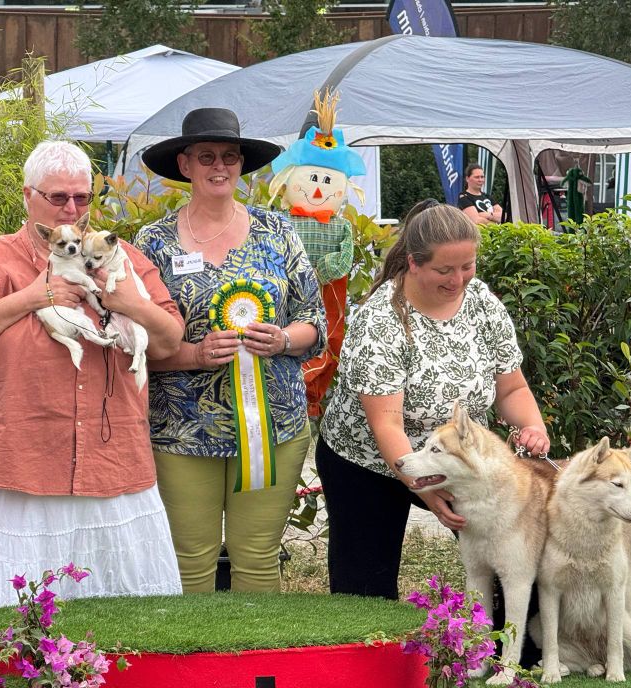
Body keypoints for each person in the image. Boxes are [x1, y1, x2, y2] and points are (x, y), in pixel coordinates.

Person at [0, 140, 184, 613]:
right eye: (58, 198)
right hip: (27, 464)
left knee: (130, 617)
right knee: (19, 616)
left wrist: (128, 301)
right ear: (28, 196)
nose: (72, 208)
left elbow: (170, 342)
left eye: (83, 197)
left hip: (114, 464)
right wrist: (33, 296)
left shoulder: (121, 257)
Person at [135, 108, 326, 593]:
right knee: (188, 564)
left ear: (242, 166)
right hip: (181, 428)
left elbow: (314, 323)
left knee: (258, 559)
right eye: (206, 157)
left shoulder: (278, 232)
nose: (219, 167)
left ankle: (255, 670)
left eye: (229, 157)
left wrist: (283, 339)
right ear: (185, 165)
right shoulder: (152, 241)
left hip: (274, 426)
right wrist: (194, 355)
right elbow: (136, 341)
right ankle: (188, 668)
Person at [317, 200, 549, 600]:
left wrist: (533, 426)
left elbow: (512, 389)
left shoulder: (483, 303)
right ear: (413, 262)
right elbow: (386, 424)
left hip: (453, 456)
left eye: (467, 266)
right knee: (366, 591)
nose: (458, 280)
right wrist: (423, 487)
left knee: (514, 554)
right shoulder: (380, 320)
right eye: (444, 270)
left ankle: (512, 650)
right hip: (366, 461)